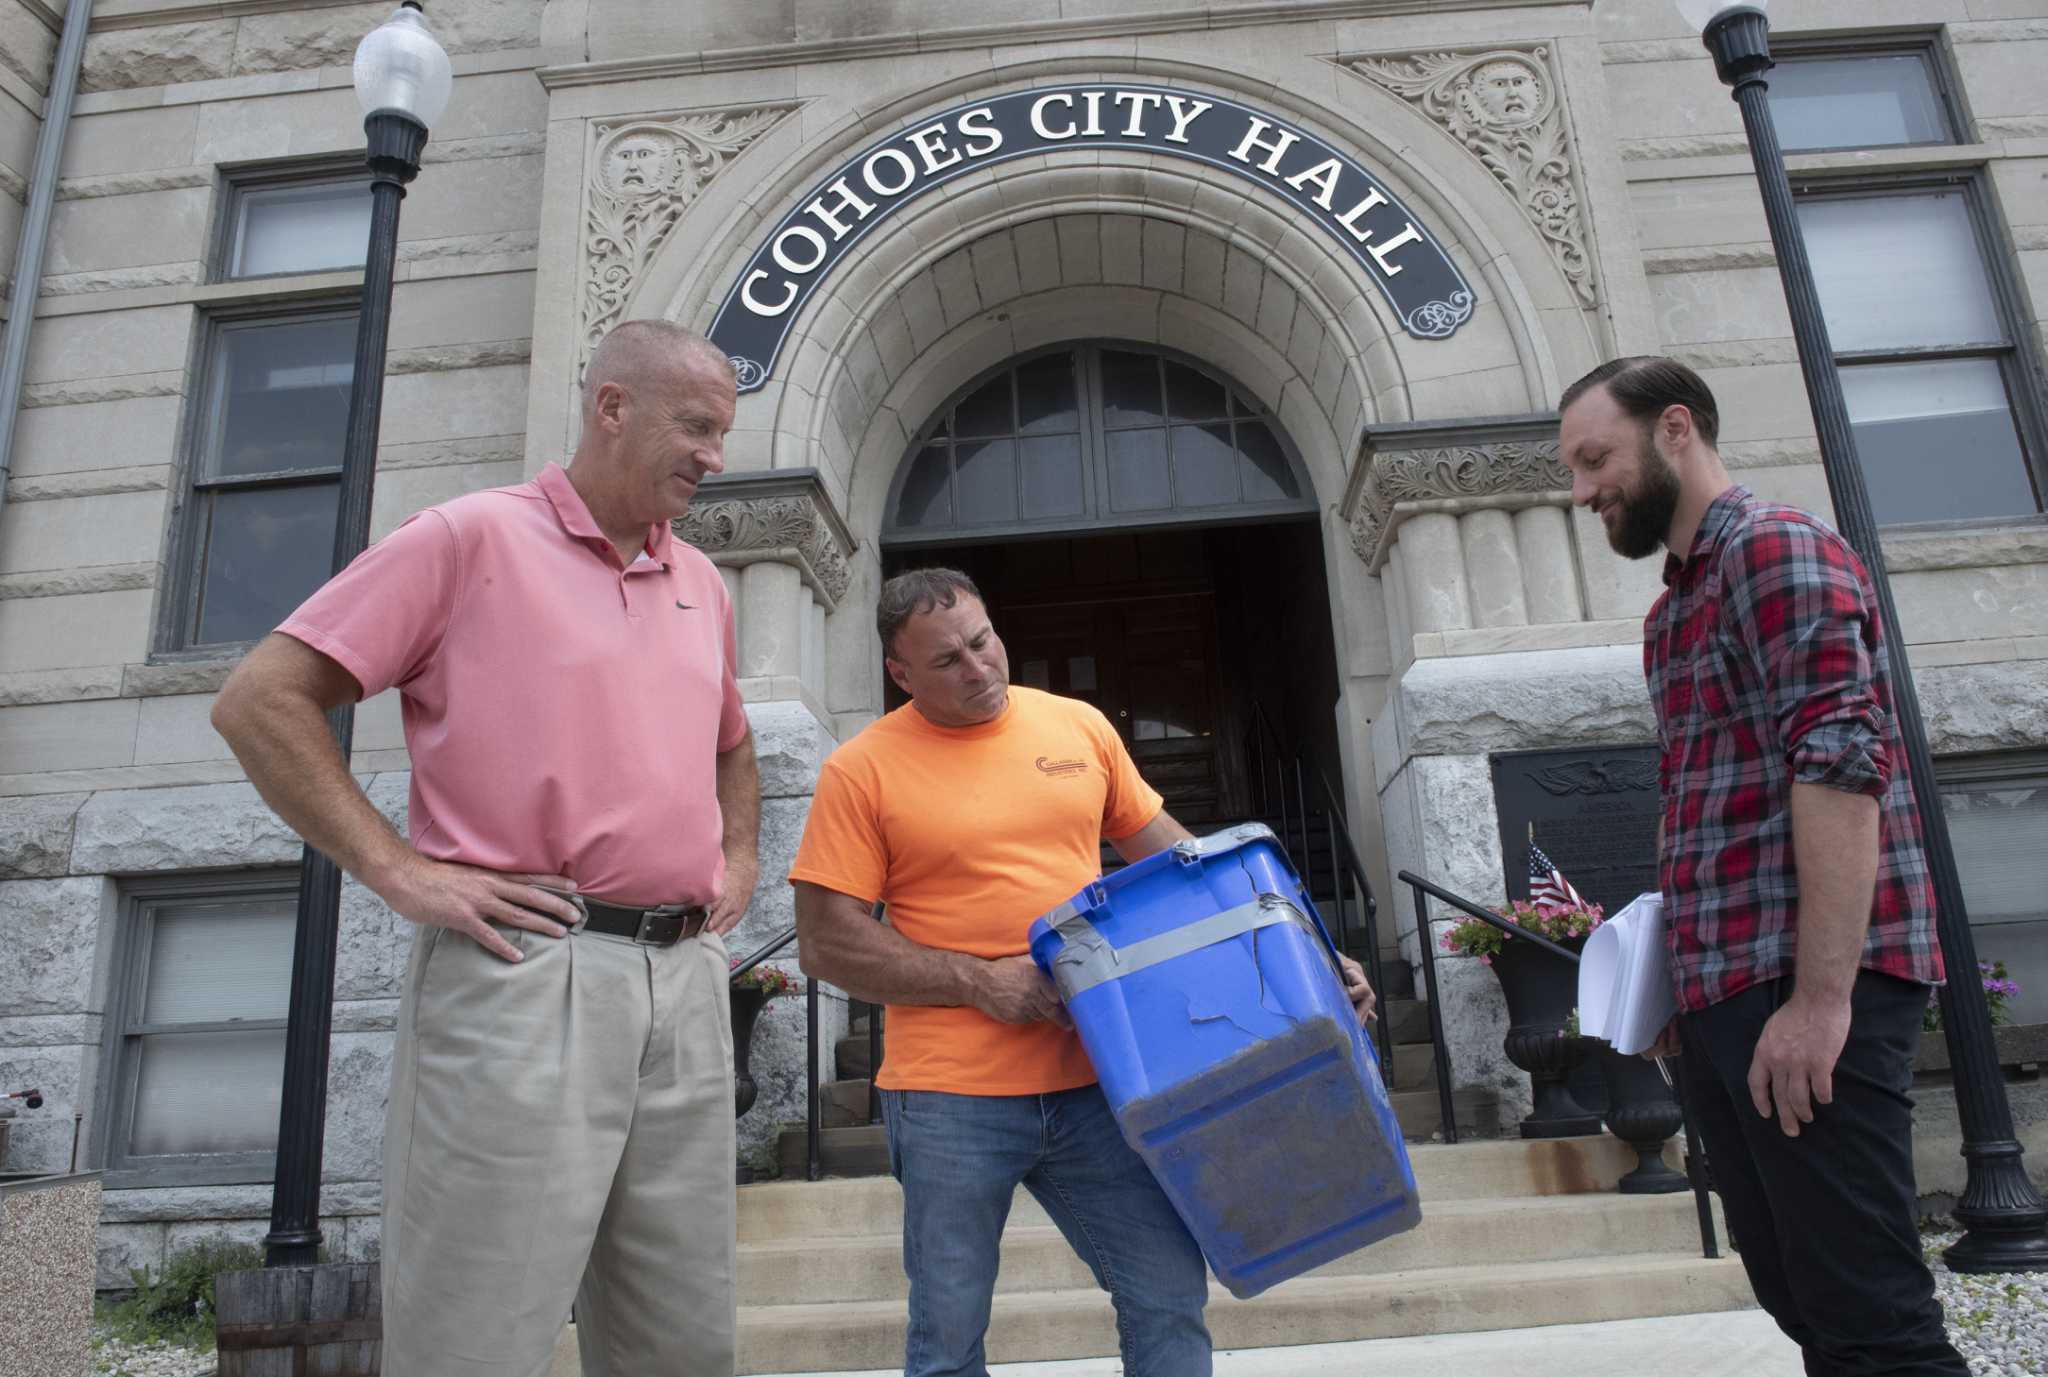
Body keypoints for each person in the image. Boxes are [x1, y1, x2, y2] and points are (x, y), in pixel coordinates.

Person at [211, 320, 758, 1377]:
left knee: (681, 1340)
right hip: (527, 971)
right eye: (694, 427)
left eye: (721, 434)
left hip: (684, 984)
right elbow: (262, 700)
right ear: (611, 408)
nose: (712, 457)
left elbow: (731, 748)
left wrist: (736, 860)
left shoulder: (702, 581)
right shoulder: (467, 539)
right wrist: (395, 868)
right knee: (476, 1330)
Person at [788, 568, 1377, 1377]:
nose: (979, 668)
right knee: (949, 1336)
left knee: (1168, 1294)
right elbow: (825, 944)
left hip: (1101, 1078)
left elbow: (1191, 871)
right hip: (947, 1097)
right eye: (948, 661)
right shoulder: (861, 770)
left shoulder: (1078, 726)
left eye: (983, 640)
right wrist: (979, 981)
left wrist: (1312, 948)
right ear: (901, 675)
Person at [1558, 356, 1965, 1376]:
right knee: (1800, 1296)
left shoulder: (1776, 551)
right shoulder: (1671, 614)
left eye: (1593, 458)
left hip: (1807, 987)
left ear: (1676, 429)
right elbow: (1710, 811)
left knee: (1872, 1317)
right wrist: (1673, 999)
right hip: (1723, 999)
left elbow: (1838, 763)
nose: (1580, 491)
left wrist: (1821, 1001)